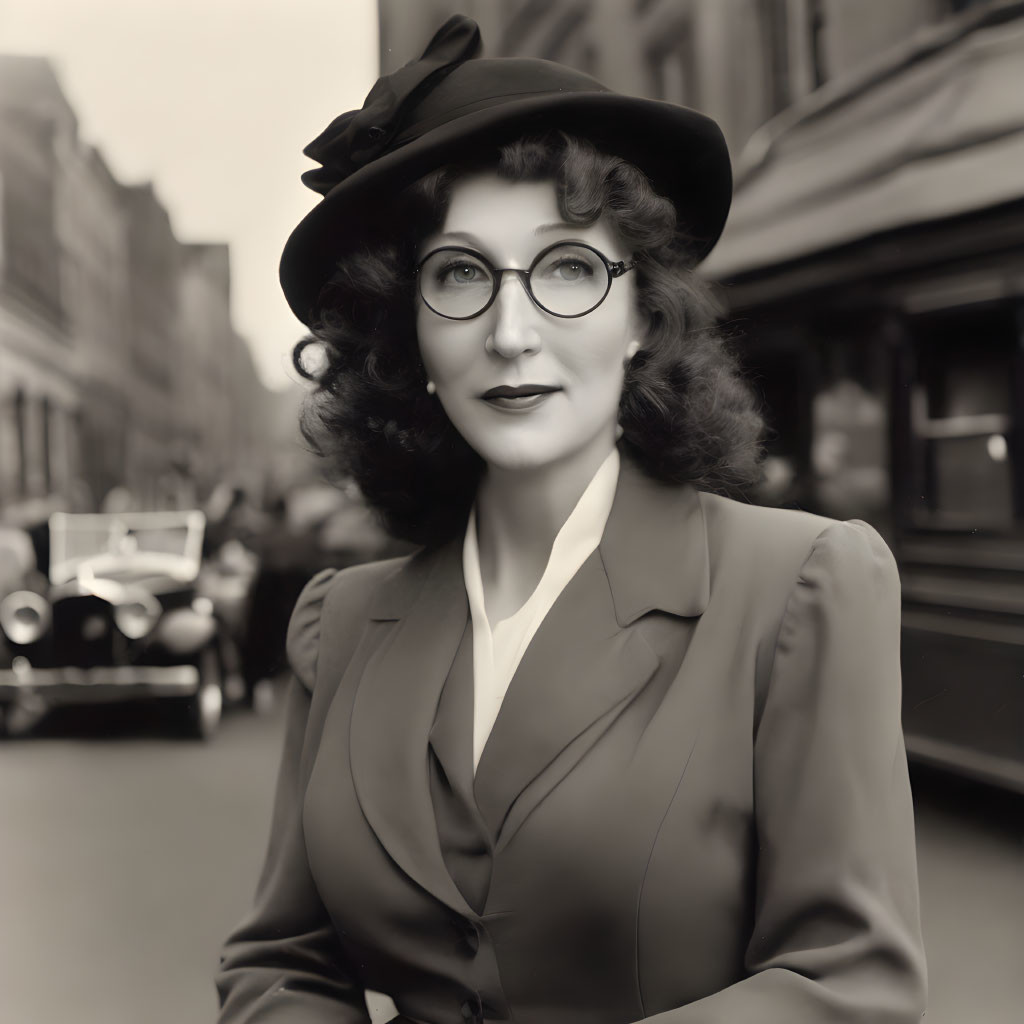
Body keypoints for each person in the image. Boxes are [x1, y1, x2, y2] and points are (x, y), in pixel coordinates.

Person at [216, 15, 927, 1024]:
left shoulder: (802, 584)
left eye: (566, 269)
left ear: (639, 315)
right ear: (407, 330)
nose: (513, 334)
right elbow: (279, 961)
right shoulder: (340, 624)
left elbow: (852, 979)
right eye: (459, 274)